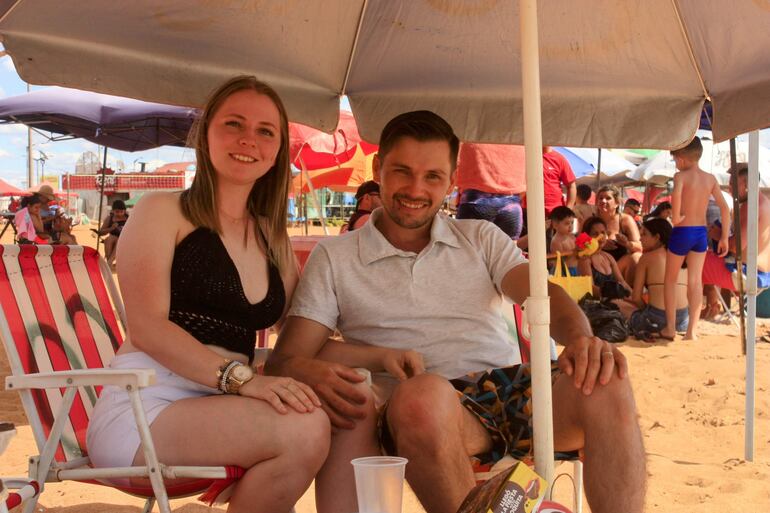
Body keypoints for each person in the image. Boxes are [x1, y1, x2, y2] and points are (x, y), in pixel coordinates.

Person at [266, 111, 645, 513]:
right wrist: (373, 358)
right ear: (378, 169)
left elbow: (543, 294)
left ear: (451, 180)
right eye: (402, 171)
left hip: (511, 388)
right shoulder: (337, 256)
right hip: (422, 408)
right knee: (423, 394)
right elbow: (288, 359)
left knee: (607, 378)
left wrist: (583, 340)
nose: (416, 188)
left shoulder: (479, 236)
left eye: (432, 176)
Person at [86, 76, 330, 513]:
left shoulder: (271, 236)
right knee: (303, 429)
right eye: (233, 124)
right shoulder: (163, 211)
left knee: (340, 409)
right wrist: (243, 380)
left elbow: (300, 332)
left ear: (277, 150)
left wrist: (378, 361)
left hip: (224, 409)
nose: (247, 140)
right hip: (146, 407)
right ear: (206, 135)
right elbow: (146, 327)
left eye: (265, 131)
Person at [661, 137, 730, 341]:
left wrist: (675, 218)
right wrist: (724, 236)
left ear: (681, 159)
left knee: (670, 280)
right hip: (700, 233)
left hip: (682, 231)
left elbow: (676, 203)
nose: (675, 163)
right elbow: (725, 208)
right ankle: (692, 331)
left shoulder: (680, 176)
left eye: (675, 159)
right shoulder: (710, 179)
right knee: (695, 281)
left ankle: (671, 328)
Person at [702, 163, 770, 313]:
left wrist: (718, 235)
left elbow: (735, 247)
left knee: (692, 262)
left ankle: (685, 316)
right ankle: (712, 307)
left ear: (746, 184)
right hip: (762, 273)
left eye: (733, 184)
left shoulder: (751, 207)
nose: (729, 188)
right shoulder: (764, 203)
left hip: (746, 274)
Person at [624, 218, 688, 341]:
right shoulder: (682, 256)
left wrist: (645, 309)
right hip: (683, 319)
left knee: (619, 305)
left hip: (656, 319)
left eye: (644, 234)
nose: (640, 238)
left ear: (657, 237)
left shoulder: (646, 258)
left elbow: (636, 297)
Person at [455, 143, 525, 239]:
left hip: (476, 198)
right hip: (512, 201)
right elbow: (545, 151)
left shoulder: (470, 132)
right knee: (507, 251)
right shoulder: (520, 133)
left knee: (468, 250)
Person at [595, 184, 642, 282]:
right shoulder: (592, 221)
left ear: (616, 203)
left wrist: (627, 244)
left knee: (636, 257)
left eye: (608, 198)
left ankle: (626, 292)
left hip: (618, 267)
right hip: (597, 266)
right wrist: (600, 245)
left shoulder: (625, 220)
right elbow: (580, 245)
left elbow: (640, 247)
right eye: (600, 198)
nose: (603, 201)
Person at [578, 217, 632, 299]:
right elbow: (590, 289)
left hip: (613, 300)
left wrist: (634, 296)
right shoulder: (585, 260)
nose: (600, 237)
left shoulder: (608, 257)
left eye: (603, 232)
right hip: (595, 305)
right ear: (587, 237)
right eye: (595, 234)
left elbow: (622, 282)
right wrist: (613, 295)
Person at [94, 200, 129, 266]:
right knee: (109, 239)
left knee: (119, 240)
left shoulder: (128, 218)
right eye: (117, 212)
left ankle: (109, 262)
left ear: (125, 211)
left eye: (121, 212)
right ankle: (109, 262)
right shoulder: (109, 219)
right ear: (113, 211)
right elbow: (100, 233)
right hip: (113, 237)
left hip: (125, 239)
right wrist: (111, 228)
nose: (119, 214)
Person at [549, 206, 577, 275]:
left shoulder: (572, 236)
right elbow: (560, 259)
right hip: (564, 271)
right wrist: (575, 251)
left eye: (572, 223)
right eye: (567, 223)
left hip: (576, 268)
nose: (570, 226)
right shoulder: (556, 241)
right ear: (555, 225)